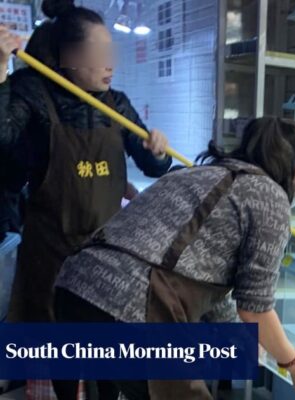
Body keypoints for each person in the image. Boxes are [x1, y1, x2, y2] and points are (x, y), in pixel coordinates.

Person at [54, 117, 295, 400]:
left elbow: (199, 275)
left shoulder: (192, 175)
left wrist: (240, 338)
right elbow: (255, 309)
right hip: (133, 309)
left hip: (74, 287)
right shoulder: (270, 197)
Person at [0, 0, 172, 327]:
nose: (110, 64)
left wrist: (158, 152)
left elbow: (151, 166)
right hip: (49, 256)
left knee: (100, 356)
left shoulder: (116, 104)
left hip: (105, 257)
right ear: (70, 56)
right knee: (54, 355)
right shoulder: (34, 92)